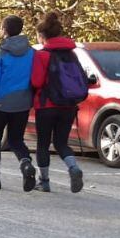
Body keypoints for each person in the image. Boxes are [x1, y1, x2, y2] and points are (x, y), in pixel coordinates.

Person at [30, 11, 88, 193]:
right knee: (61, 142)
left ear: (42, 36)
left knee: (43, 144)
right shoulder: (72, 54)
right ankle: (73, 167)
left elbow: (36, 82)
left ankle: (44, 181)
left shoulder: (42, 55)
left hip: (46, 105)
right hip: (68, 105)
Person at [0, 16, 37, 191]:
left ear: (4, 30)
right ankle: (26, 163)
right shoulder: (32, 53)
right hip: (23, 103)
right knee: (16, 139)